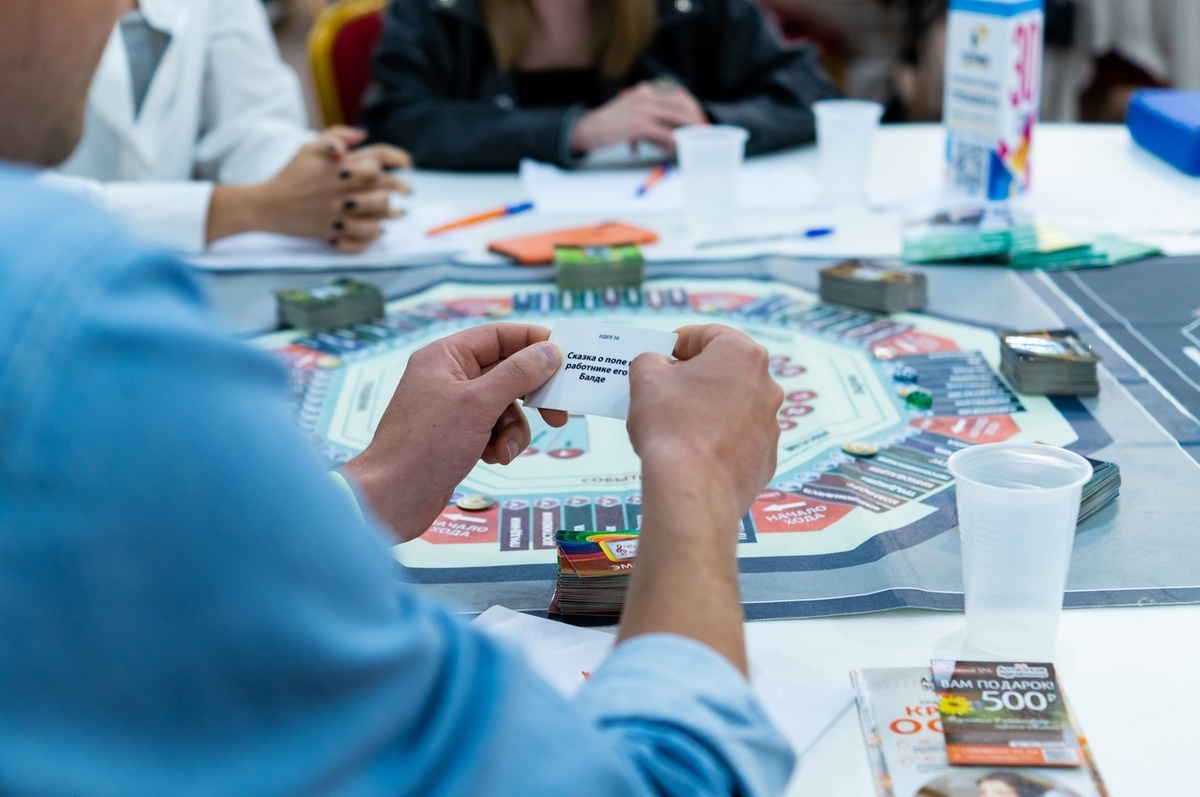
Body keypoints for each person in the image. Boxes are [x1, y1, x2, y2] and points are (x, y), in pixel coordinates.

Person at [0, 0, 794, 792]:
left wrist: (373, 486)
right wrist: (697, 473)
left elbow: (163, 607)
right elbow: (653, 782)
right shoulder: (68, 309)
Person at [43, 0, 412, 254]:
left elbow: (253, 121)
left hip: (184, 281)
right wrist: (242, 208)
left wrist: (323, 177)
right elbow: (21, 195)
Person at [362, 0, 840, 170]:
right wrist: (576, 130)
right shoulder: (434, 8)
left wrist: (706, 125)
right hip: (485, 247)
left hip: (665, 239)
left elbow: (809, 91)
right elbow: (395, 122)